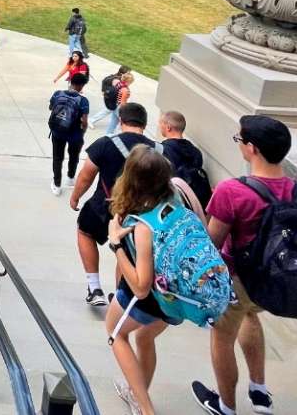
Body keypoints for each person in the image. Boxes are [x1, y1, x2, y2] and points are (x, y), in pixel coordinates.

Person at [191, 116, 297, 415]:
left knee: (222, 337)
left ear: (252, 148)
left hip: (238, 280)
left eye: (239, 140)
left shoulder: (232, 191)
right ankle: (259, 392)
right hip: (278, 282)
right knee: (251, 317)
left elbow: (212, 244)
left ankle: (224, 405)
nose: (239, 144)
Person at [105, 148, 181, 415]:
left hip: (146, 299)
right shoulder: (178, 197)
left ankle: (145, 408)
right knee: (145, 337)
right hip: (177, 295)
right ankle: (137, 391)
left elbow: (140, 286)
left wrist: (116, 244)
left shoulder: (142, 226)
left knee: (117, 334)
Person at [68, 102, 156, 307]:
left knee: (85, 232)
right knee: (125, 250)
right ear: (144, 123)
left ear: (121, 120)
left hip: (104, 206)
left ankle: (94, 287)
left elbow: (86, 176)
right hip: (140, 213)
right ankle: (119, 296)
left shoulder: (105, 143)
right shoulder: (158, 150)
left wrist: (75, 197)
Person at [159, 111, 213, 209]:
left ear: (168, 127)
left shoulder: (162, 150)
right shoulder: (196, 152)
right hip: (192, 204)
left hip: (170, 205)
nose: (159, 127)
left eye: (160, 123)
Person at [49, 74, 91, 196]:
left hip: (57, 132)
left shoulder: (57, 94)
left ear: (71, 81)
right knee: (73, 156)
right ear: (82, 85)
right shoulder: (83, 101)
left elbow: (51, 108)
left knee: (57, 157)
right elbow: (84, 121)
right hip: (75, 135)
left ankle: (57, 185)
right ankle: (70, 178)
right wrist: (82, 131)